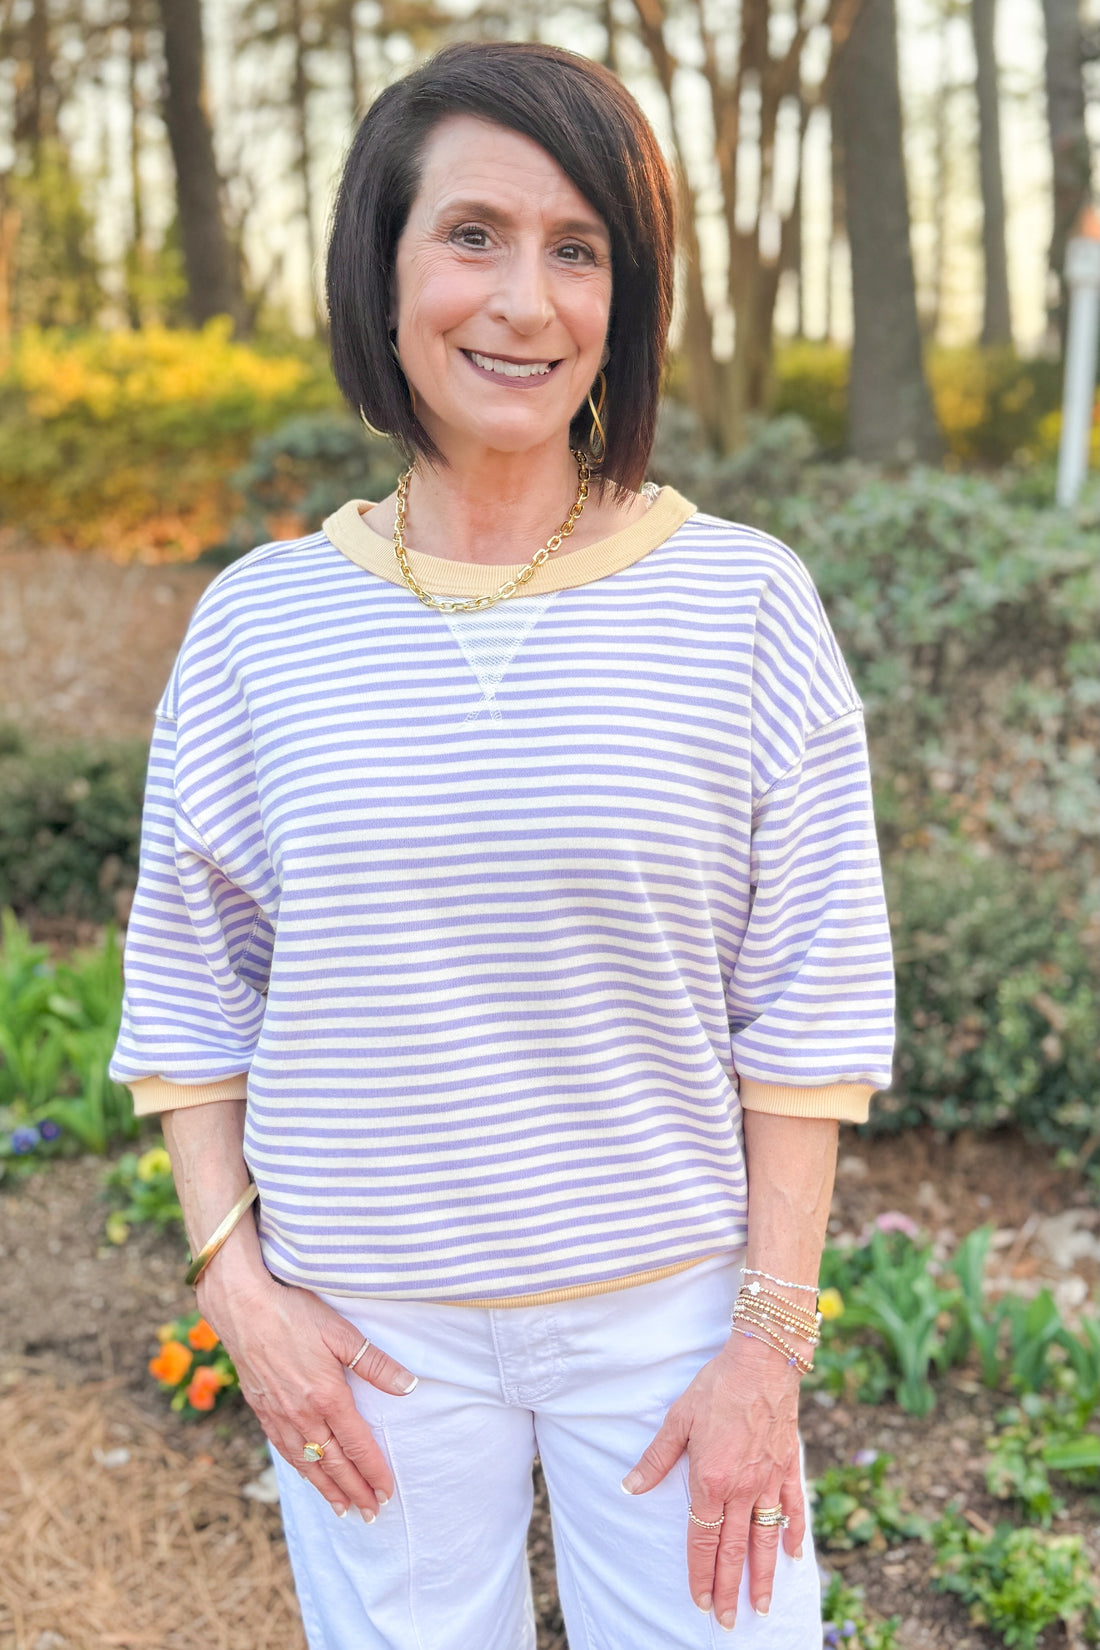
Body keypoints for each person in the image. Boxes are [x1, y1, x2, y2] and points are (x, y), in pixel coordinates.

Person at [110, 40, 895, 1650]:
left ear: (626, 294)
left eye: (576, 247)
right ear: (382, 271)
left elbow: (809, 1010)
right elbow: (190, 997)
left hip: (672, 1327)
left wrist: (768, 1345)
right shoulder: (260, 626)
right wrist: (235, 1287)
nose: (522, 302)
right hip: (366, 1334)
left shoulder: (744, 602)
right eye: (472, 234)